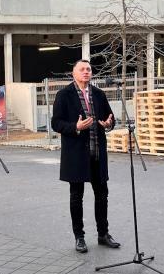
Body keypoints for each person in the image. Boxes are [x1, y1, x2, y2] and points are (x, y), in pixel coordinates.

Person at [51, 59, 121, 253]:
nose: (86, 72)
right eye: (82, 69)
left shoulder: (98, 94)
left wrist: (109, 123)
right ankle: (79, 237)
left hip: (97, 153)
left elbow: (110, 117)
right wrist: (75, 127)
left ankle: (103, 234)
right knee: (76, 197)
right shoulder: (64, 95)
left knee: (102, 195)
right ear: (73, 73)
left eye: (89, 69)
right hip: (76, 155)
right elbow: (56, 123)